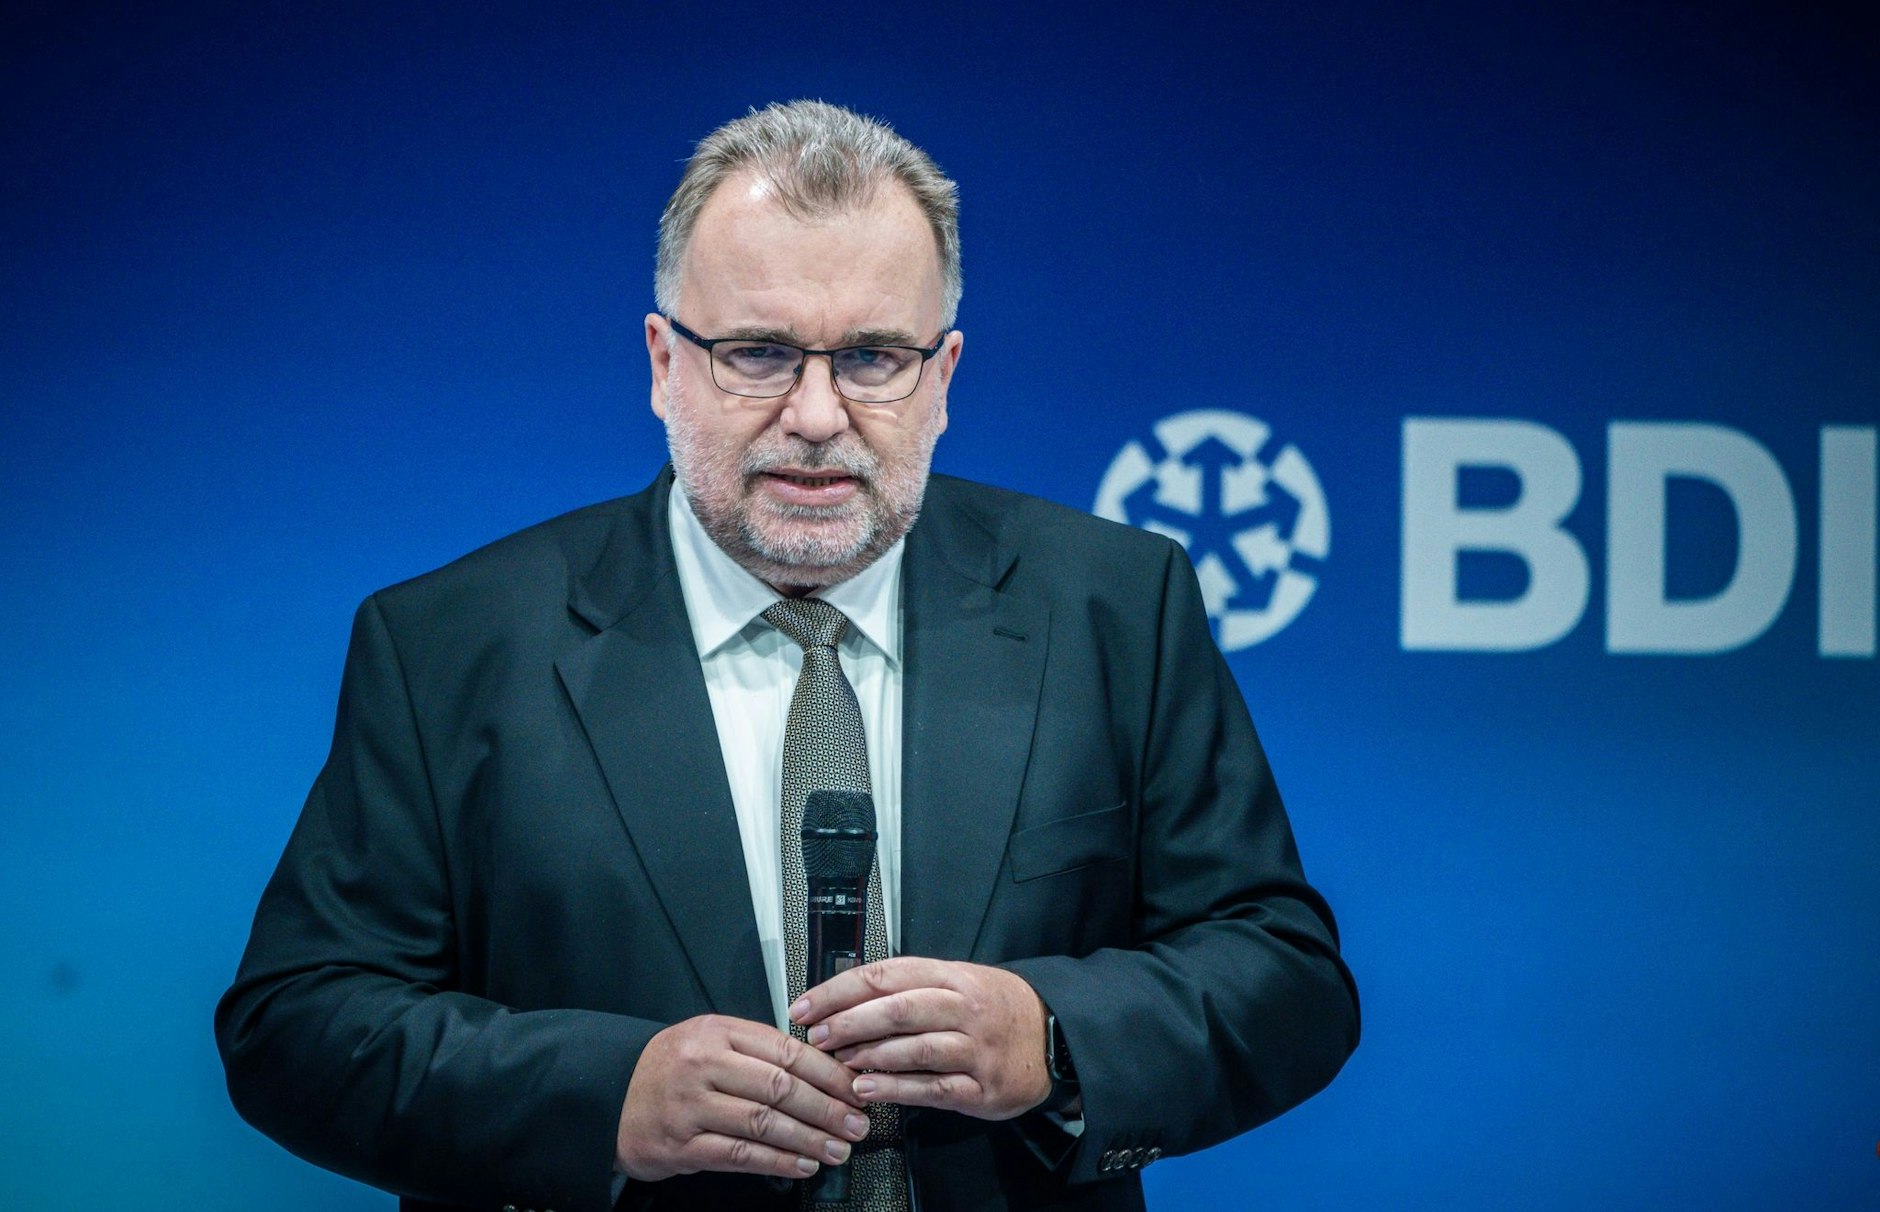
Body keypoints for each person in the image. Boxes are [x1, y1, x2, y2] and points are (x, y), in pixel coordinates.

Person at [216, 100, 1359, 1212]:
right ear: (662, 363)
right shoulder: (449, 642)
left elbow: (1287, 977)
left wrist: (1053, 1038)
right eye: (757, 353)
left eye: (871, 357)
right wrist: (601, 1099)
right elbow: (297, 1025)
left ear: (942, 377)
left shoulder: (1114, 603)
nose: (815, 415)